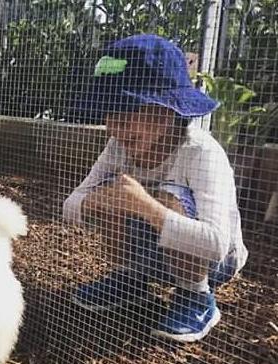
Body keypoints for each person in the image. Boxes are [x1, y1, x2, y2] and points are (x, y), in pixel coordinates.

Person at [63, 34, 248, 343]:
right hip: (149, 255)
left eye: (126, 115)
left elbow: (217, 244)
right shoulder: (118, 146)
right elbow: (71, 205)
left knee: (169, 195)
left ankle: (197, 298)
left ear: (165, 112)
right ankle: (131, 277)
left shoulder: (201, 152)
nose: (114, 129)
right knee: (111, 191)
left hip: (213, 265)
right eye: (110, 116)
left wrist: (146, 206)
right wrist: (102, 199)